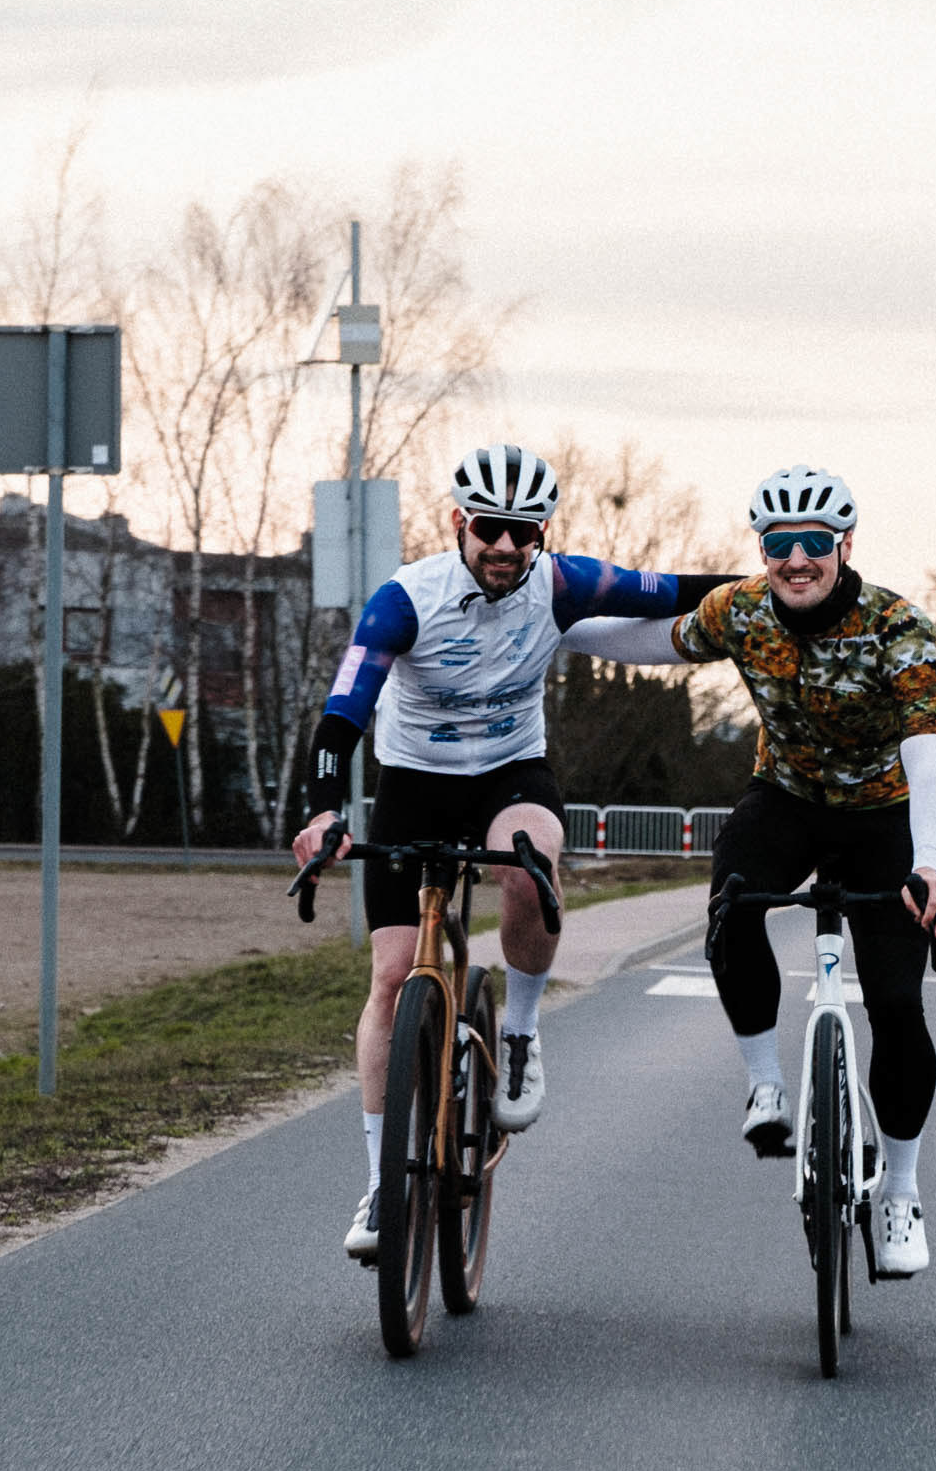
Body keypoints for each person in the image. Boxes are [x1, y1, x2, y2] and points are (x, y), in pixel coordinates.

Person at [292, 443, 726, 1259]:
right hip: (415, 781)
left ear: (541, 535)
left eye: (522, 532)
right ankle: (382, 1186)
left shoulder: (562, 583)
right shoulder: (403, 600)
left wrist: (780, 585)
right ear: (459, 522)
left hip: (509, 774)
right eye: (489, 527)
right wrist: (322, 813)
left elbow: (675, 590)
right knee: (390, 977)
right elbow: (342, 714)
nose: (503, 545)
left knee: (528, 869)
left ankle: (521, 1034)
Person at [563, 464, 936, 1277]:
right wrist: (553, 628)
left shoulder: (901, 630)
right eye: (780, 545)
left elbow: (928, 761)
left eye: (814, 543)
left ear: (844, 546)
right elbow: (651, 644)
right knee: (731, 905)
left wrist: (928, 864)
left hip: (883, 813)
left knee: (894, 1003)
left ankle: (901, 1193)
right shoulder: (740, 610)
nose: (796, 560)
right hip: (785, 799)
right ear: (762, 551)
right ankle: (766, 1085)